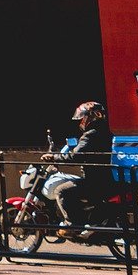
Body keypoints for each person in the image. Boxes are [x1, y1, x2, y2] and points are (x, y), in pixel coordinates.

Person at [42, 100, 114, 242]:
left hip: (96, 181)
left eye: (83, 117)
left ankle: (73, 225)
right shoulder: (108, 131)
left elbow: (76, 156)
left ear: (92, 116)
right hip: (107, 178)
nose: (81, 121)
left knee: (61, 190)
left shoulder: (91, 134)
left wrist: (54, 157)